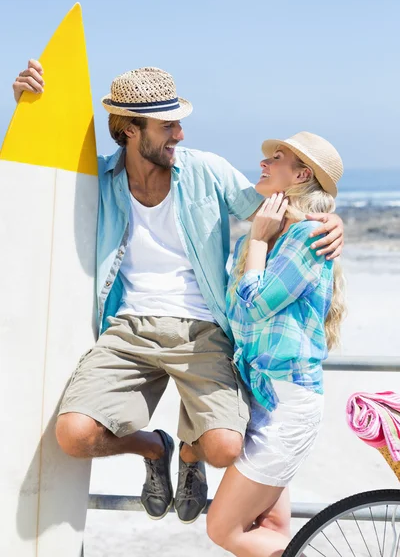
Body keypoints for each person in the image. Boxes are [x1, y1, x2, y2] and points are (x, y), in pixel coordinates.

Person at [13, 62, 344, 525]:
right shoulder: (97, 179)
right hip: (127, 329)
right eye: (167, 125)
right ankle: (155, 446)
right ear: (130, 130)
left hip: (203, 328)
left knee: (225, 448)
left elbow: (277, 206)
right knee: (73, 435)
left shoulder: (207, 170)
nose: (180, 134)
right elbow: (38, 178)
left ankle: (191, 453)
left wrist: (330, 219)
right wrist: (30, 105)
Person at [207, 132, 346, 556]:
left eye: (277, 157)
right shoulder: (266, 237)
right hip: (264, 401)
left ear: (301, 174)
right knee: (269, 524)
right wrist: (259, 240)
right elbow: (236, 315)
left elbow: (252, 310)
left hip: (286, 403)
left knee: (224, 529)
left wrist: (259, 241)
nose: (263, 162)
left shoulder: (305, 237)